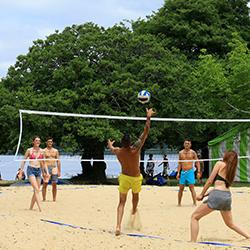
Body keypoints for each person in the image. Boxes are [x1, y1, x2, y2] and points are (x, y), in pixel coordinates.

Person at [107, 108, 155, 236]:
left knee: (121, 202)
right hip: (135, 178)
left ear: (122, 142)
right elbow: (145, 132)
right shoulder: (135, 149)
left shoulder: (118, 151)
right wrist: (148, 117)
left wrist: (110, 144)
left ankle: (118, 226)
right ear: (130, 142)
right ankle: (134, 211)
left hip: (124, 178)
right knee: (135, 198)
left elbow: (111, 148)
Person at [190, 151, 250, 242]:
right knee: (230, 224)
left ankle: (192, 241)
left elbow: (210, 181)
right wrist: (205, 195)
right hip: (227, 196)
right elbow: (220, 187)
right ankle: (248, 236)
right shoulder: (231, 171)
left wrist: (202, 194)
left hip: (217, 195)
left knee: (194, 217)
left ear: (226, 156)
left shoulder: (220, 164)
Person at [19, 136, 49, 212]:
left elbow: (44, 163)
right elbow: (23, 161)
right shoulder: (29, 150)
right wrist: (20, 172)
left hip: (38, 170)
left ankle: (31, 208)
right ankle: (40, 209)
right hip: (31, 170)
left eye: (39, 141)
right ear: (33, 142)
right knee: (36, 189)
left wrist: (47, 173)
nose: (38, 142)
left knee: (37, 190)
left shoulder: (42, 151)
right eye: (36, 140)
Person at [176, 139, 201, 206]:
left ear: (190, 144)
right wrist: (178, 172)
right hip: (183, 172)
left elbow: (197, 162)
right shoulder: (181, 153)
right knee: (181, 188)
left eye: (188, 143)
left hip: (190, 171)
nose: (187, 145)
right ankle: (179, 203)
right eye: (185, 143)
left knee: (191, 187)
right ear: (184, 144)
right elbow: (179, 163)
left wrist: (198, 171)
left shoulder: (193, 152)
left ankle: (194, 203)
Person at [42, 137, 61, 202]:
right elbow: (43, 162)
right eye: (48, 141)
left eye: (51, 142)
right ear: (46, 142)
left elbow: (58, 161)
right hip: (46, 167)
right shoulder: (43, 151)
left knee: (54, 184)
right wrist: (43, 171)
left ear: (52, 143)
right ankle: (44, 198)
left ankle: (54, 199)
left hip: (54, 167)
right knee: (45, 183)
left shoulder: (55, 151)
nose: (50, 143)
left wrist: (59, 171)